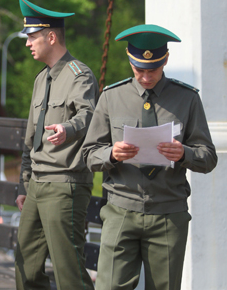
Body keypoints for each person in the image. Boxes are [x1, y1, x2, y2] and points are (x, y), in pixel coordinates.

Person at [82, 24, 217, 290]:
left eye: (152, 70)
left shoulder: (187, 99)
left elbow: (208, 157)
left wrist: (184, 154)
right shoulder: (111, 96)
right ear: (129, 59)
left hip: (168, 214)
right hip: (121, 210)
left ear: (165, 60)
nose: (145, 77)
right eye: (138, 70)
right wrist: (112, 153)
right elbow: (89, 154)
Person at [15, 0, 98, 290]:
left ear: (51, 37)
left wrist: (68, 128)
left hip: (65, 183)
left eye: (33, 37)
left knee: (67, 268)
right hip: (37, 184)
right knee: (26, 262)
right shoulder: (41, 79)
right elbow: (30, 138)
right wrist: (25, 184)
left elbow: (90, 115)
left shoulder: (80, 74)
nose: (28, 43)